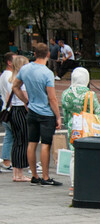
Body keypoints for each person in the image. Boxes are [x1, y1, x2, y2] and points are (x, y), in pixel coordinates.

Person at [12, 42, 63, 186]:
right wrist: (58, 116)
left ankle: (34, 175)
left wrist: (25, 101)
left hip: (32, 110)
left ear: (34, 54)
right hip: (46, 113)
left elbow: (15, 86)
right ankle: (45, 177)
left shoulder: (25, 69)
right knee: (45, 144)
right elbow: (52, 98)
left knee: (32, 142)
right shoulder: (47, 73)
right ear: (48, 54)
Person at [62, 67, 100, 193]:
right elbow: (98, 114)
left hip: (73, 127)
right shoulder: (89, 94)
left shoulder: (66, 94)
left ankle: (73, 185)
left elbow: (66, 113)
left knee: (74, 155)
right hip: (88, 129)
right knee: (89, 155)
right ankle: (88, 181)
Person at [5, 56, 30, 181]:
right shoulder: (22, 81)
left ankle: (16, 172)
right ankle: (20, 173)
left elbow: (7, 99)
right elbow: (25, 99)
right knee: (23, 141)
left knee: (16, 141)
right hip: (21, 110)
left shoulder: (11, 79)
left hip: (13, 110)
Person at [0, 52, 14, 172]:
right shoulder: (10, 76)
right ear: (9, 62)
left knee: (9, 136)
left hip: (5, 109)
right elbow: (11, 93)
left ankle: (6, 161)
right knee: (21, 137)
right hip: (11, 110)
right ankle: (25, 162)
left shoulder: (3, 75)